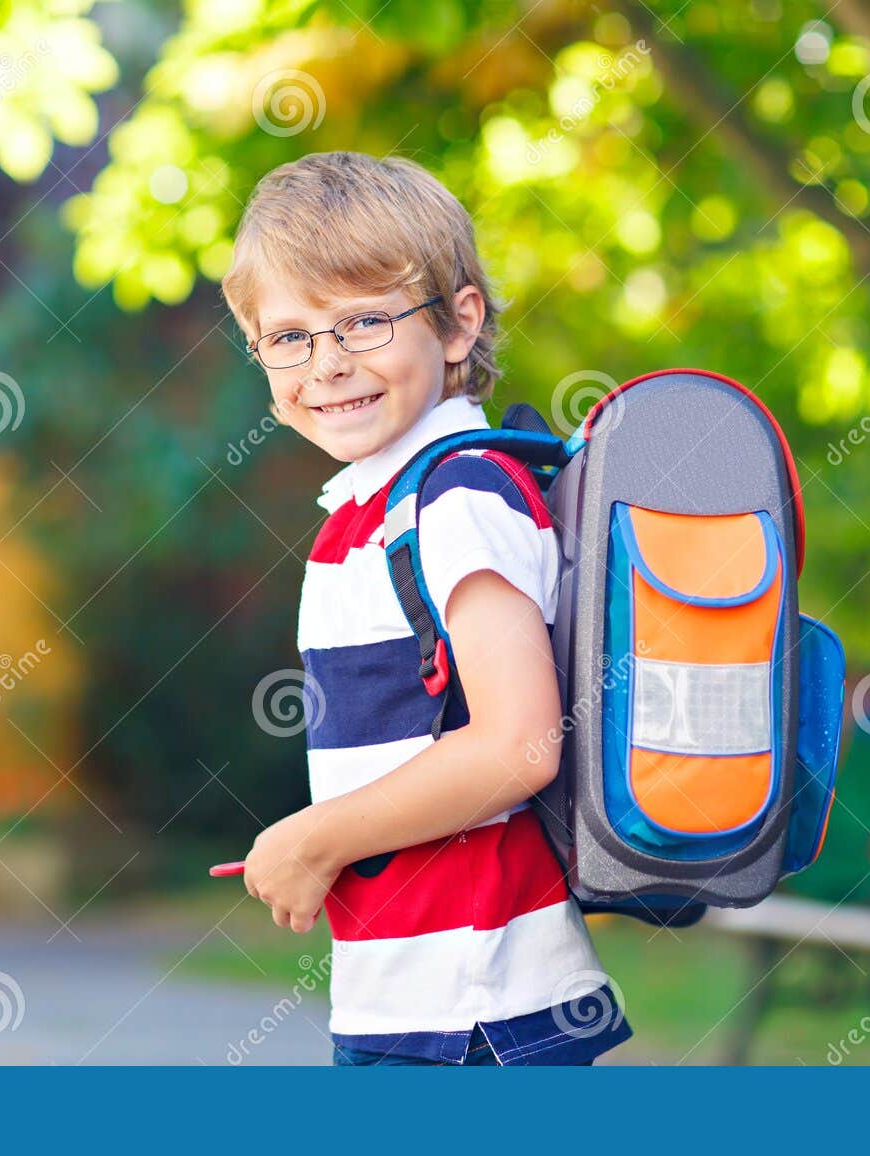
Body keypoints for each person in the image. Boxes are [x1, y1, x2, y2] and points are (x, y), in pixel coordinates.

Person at [218, 151, 632, 1066]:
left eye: (365, 322)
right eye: (288, 337)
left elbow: (520, 743)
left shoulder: (458, 499)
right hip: (423, 999)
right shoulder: (373, 508)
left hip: (479, 1009)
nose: (326, 364)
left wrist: (312, 838)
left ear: (458, 325)